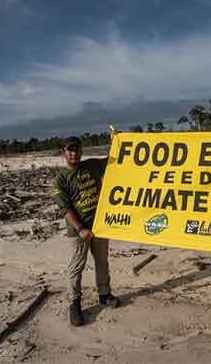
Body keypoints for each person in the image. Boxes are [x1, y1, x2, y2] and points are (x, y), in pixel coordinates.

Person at [53, 135, 119, 327]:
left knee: (102, 262)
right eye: (70, 150)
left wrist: (115, 142)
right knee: (76, 267)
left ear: (82, 151)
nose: (74, 153)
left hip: (100, 226)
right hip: (78, 232)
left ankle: (104, 294)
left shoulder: (91, 165)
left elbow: (111, 160)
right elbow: (66, 209)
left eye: (77, 149)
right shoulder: (61, 179)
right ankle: (74, 304)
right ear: (63, 153)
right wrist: (80, 228)